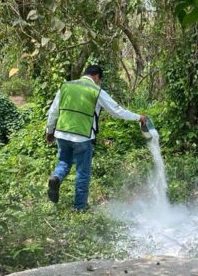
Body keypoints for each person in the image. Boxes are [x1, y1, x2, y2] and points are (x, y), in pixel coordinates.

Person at [45, 65, 146, 210]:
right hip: (82, 137)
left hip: (62, 134)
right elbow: (117, 111)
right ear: (97, 76)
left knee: (64, 162)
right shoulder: (96, 91)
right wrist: (138, 117)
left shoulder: (65, 87)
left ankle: (56, 178)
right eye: (99, 80)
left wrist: (50, 131)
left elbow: (53, 111)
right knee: (82, 173)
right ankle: (80, 208)